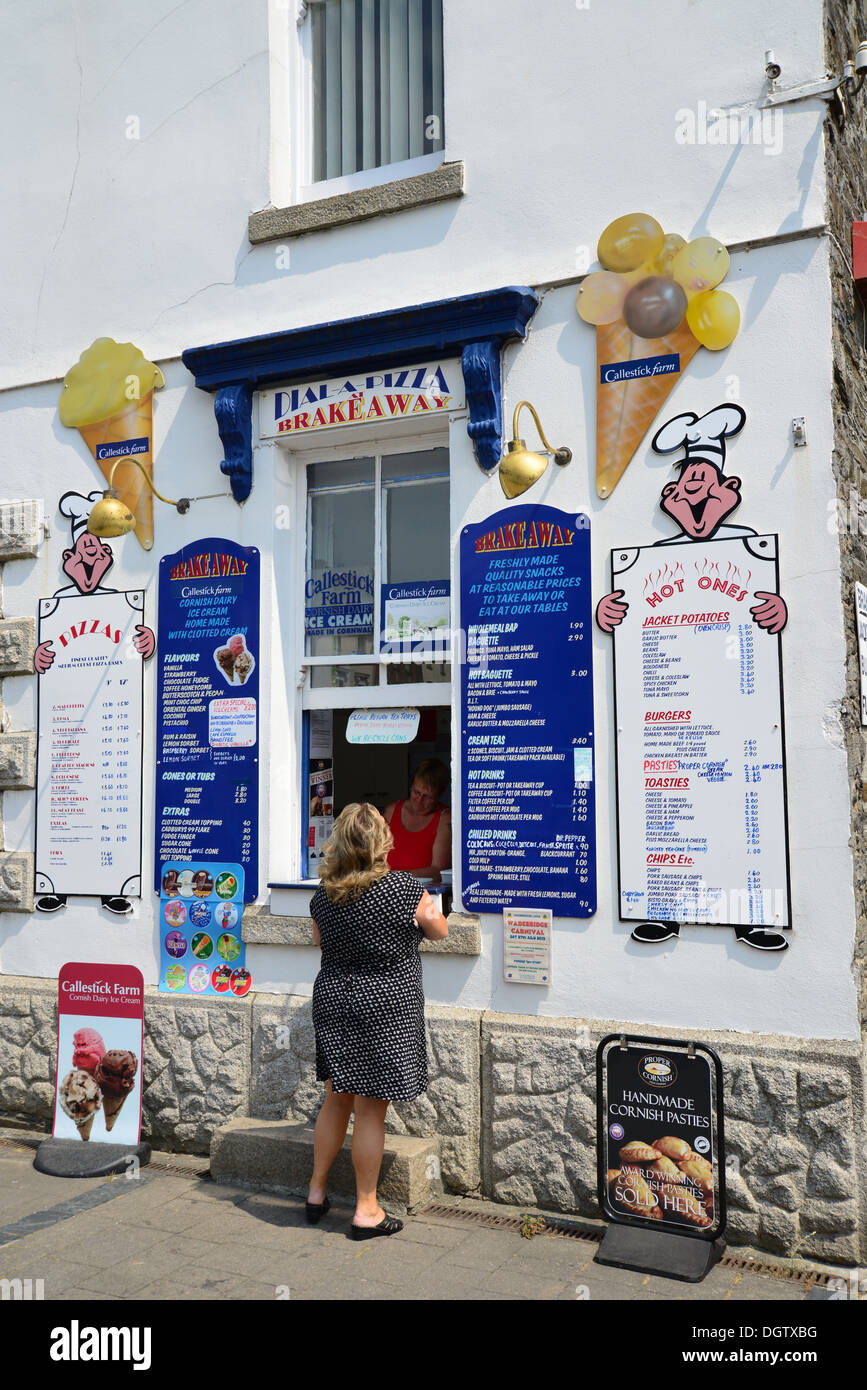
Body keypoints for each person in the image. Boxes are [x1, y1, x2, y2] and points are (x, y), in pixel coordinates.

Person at [306, 802, 448, 1239]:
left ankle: (316, 1191)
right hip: (383, 1007)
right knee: (370, 1111)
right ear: (380, 842)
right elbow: (439, 930)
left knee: (337, 1097)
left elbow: (318, 939)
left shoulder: (322, 893)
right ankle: (366, 1210)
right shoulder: (404, 889)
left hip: (333, 999)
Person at [382, 758, 451, 882]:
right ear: (411, 786)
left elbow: (439, 871)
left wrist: (397, 878)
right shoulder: (391, 811)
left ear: (440, 794)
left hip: (424, 893)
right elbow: (375, 857)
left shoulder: (444, 818)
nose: (419, 800)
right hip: (388, 889)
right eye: (416, 792)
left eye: (427, 796)